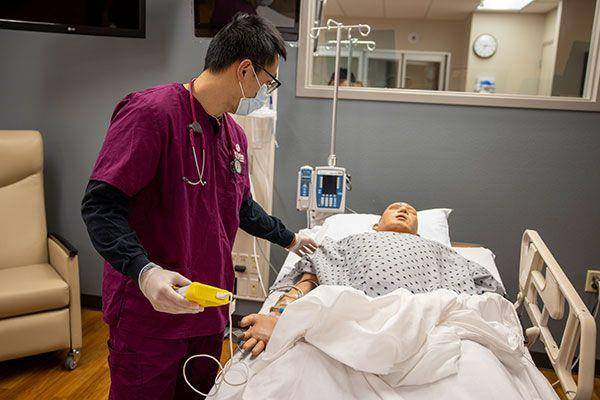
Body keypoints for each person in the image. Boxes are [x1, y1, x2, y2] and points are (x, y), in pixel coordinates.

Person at [81, 13, 317, 400]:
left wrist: (289, 238)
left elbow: (240, 207)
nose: (265, 90)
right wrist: (145, 272)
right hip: (150, 313)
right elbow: (101, 207)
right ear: (245, 70)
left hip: (207, 311)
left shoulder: (234, 136)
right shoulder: (150, 114)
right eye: (267, 80)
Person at [239, 202, 504, 357]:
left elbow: (484, 292)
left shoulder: (440, 251)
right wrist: (276, 315)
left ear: (419, 230)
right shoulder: (351, 241)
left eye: (410, 212)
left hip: (419, 320)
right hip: (351, 315)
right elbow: (309, 279)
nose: (402, 210)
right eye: (394, 208)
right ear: (376, 225)